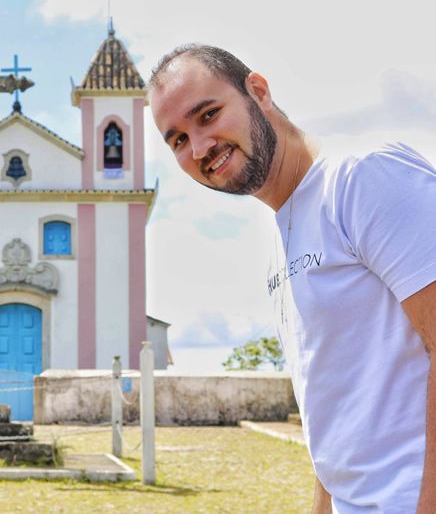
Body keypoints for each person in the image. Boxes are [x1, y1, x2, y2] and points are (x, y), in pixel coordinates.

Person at [147, 44, 436, 514]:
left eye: (208, 115)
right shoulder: (283, 237)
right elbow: (332, 412)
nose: (200, 148)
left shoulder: (361, 177)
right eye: (178, 139)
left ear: (257, 91)